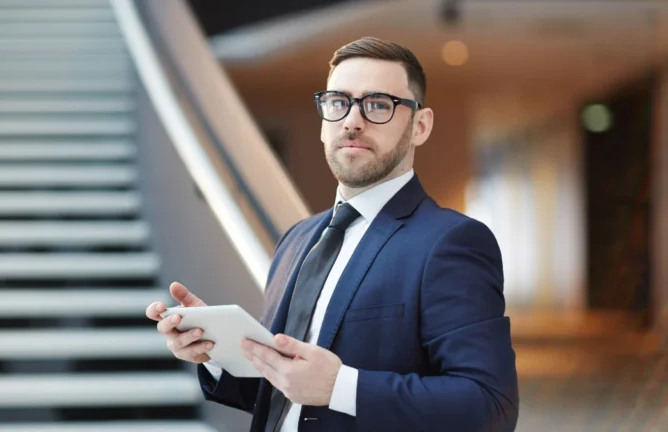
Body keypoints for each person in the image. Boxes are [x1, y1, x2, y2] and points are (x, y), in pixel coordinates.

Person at [147, 36, 519, 431]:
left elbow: (490, 407)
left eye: (378, 105)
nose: (352, 121)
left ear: (419, 126)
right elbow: (283, 395)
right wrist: (218, 350)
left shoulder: (451, 242)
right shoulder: (298, 239)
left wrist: (342, 387)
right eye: (338, 103)